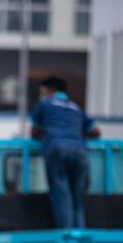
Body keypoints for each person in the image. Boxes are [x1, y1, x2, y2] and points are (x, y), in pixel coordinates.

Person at [30, 76, 101, 228]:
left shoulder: (45, 103)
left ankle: (66, 237)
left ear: (50, 90)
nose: (41, 95)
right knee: (77, 198)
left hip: (57, 148)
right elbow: (95, 132)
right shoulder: (76, 107)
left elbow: (34, 131)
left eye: (42, 92)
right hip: (80, 151)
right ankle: (79, 236)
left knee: (61, 195)